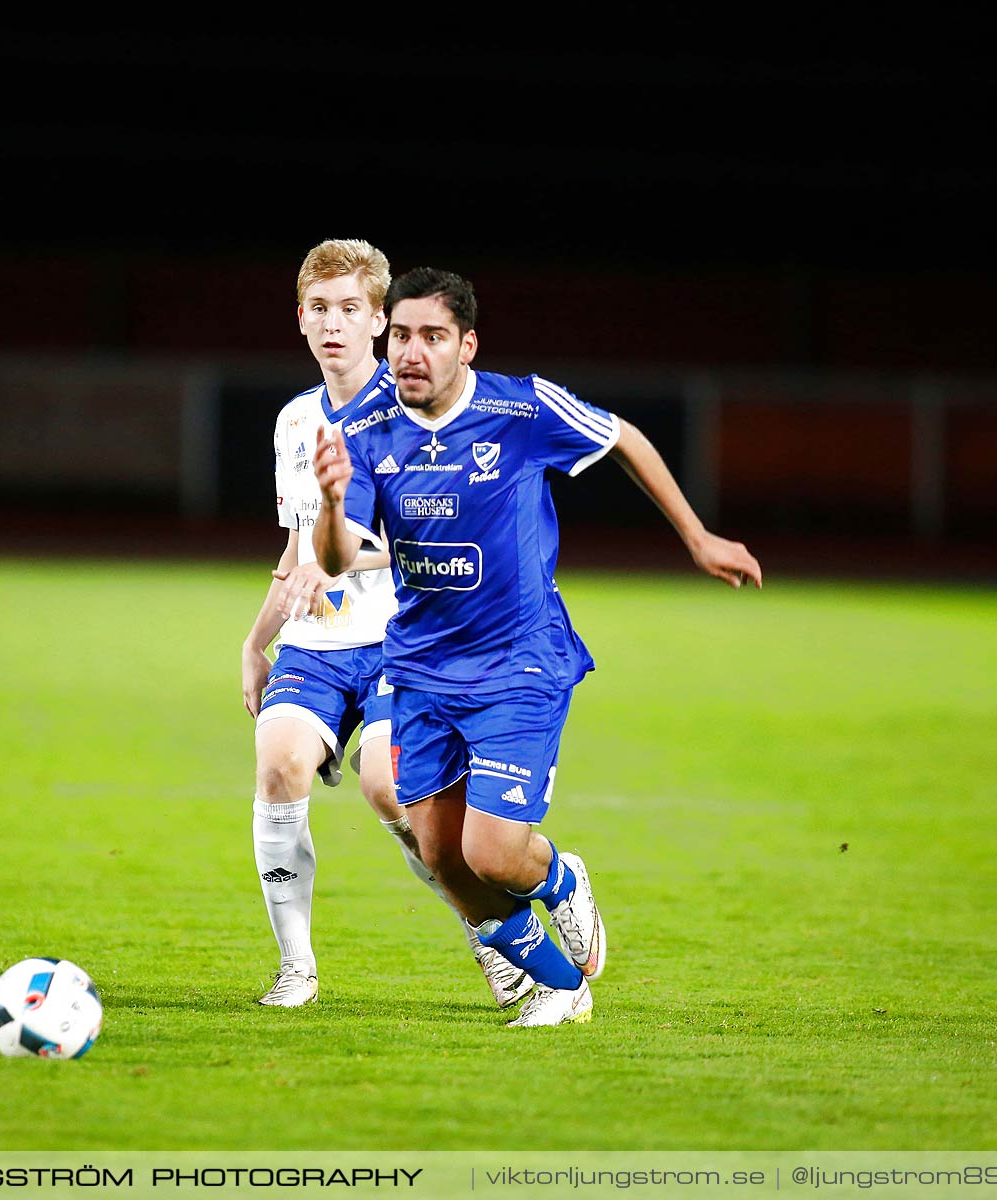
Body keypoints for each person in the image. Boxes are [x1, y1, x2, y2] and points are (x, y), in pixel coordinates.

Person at [313, 268, 762, 1026]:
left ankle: (557, 880)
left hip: (519, 661)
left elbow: (624, 438)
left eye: (432, 336)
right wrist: (329, 499)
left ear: (467, 345)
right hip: (420, 668)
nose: (412, 352)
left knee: (491, 853)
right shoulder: (363, 431)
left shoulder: (520, 408)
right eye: (400, 336)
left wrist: (697, 536)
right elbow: (333, 559)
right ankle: (561, 986)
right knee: (441, 857)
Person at [242, 240, 530, 1009]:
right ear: (301, 320)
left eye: (350, 310)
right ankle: (296, 969)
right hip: (317, 642)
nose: (334, 325)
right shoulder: (295, 420)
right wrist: (254, 640)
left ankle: (491, 934)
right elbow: (298, 545)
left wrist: (339, 560)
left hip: (405, 640)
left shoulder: (413, 408)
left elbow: (423, 536)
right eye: (320, 310)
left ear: (379, 320)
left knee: (393, 793)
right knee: (278, 766)